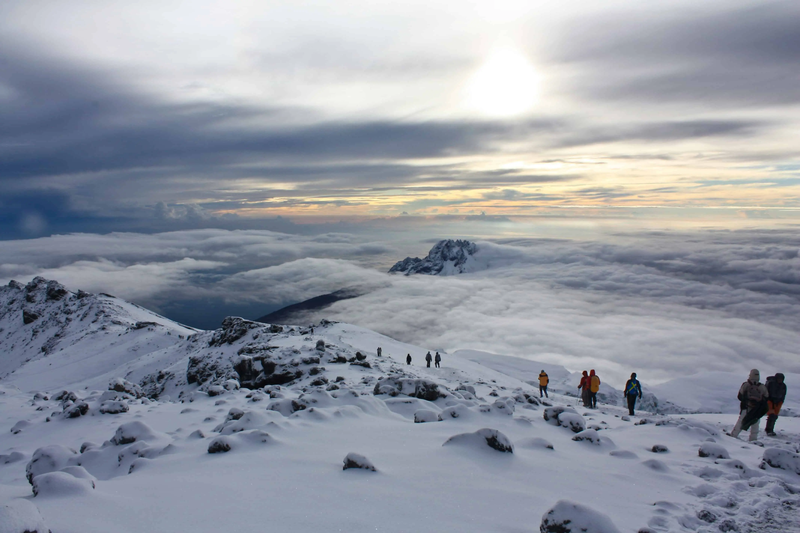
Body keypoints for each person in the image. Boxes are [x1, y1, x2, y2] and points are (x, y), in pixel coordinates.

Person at [730, 369, 769, 441]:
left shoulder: (746, 384)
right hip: (757, 409)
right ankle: (753, 439)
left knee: (741, 421)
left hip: (746, 407)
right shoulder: (762, 386)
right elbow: (766, 397)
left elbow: (740, 396)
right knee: (755, 423)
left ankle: (733, 435)